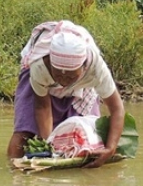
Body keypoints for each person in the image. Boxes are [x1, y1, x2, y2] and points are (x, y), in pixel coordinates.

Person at [7, 20, 125, 168]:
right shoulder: (39, 66)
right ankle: (12, 170)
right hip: (42, 83)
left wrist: (111, 147)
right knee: (24, 132)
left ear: (83, 67)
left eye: (70, 77)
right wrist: (48, 144)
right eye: (59, 76)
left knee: (85, 135)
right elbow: (42, 107)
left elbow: (117, 108)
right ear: (51, 64)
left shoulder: (96, 69)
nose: (63, 82)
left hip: (83, 84)